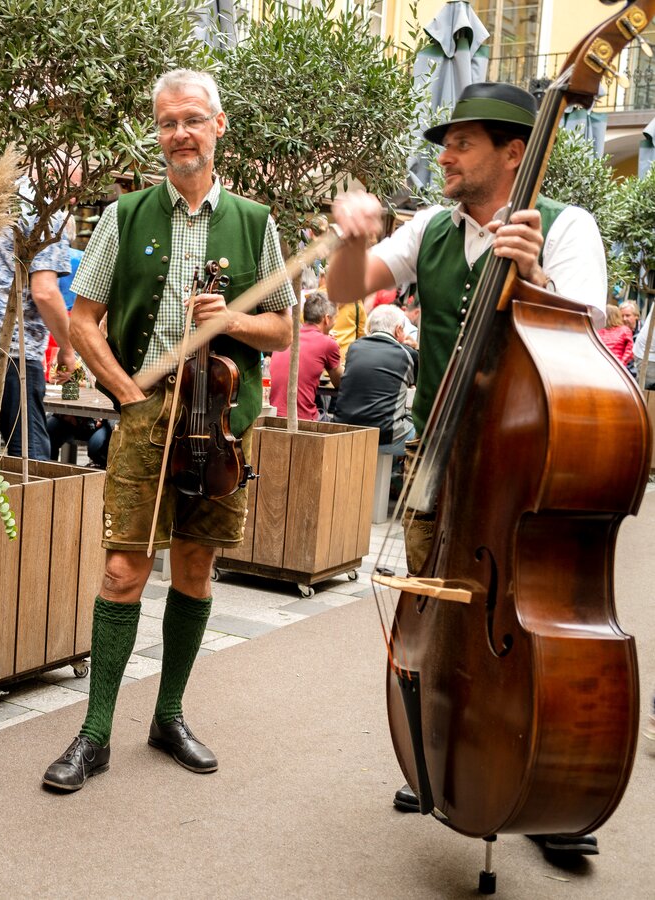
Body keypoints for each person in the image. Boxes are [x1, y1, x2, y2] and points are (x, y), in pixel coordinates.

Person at [328, 82, 607, 857]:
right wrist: (349, 239)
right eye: (444, 144)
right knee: (436, 610)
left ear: (514, 152)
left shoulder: (567, 226)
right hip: (439, 450)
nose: (444, 157)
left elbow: (590, 335)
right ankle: (441, 756)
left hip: (531, 458)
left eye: (461, 143)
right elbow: (345, 287)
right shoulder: (430, 228)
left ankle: (543, 788)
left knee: (532, 618)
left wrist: (537, 276)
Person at [43, 68, 295, 792]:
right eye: (167, 122)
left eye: (192, 120)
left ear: (219, 127)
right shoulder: (124, 216)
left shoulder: (255, 222)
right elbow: (82, 320)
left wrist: (231, 320)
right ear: (157, 133)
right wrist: (125, 392)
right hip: (146, 413)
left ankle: (169, 715)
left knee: (195, 567)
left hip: (221, 419)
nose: (180, 134)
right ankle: (94, 734)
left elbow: (282, 327)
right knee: (122, 571)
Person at [0, 211, 73, 459]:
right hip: (14, 351)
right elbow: (44, 292)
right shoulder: (45, 211)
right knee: (29, 455)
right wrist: (68, 348)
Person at [330, 304, 417, 449]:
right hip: (385, 437)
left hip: (344, 431)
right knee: (423, 434)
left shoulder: (354, 347)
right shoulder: (408, 354)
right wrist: (416, 348)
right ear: (398, 330)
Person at [267, 291, 341, 421]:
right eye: (335, 318)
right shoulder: (328, 344)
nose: (335, 322)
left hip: (272, 413)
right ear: (327, 319)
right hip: (300, 418)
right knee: (334, 419)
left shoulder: (288, 335)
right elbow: (340, 383)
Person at [596, 304, 635, 375]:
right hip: (617, 367)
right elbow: (629, 352)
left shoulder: (598, 331)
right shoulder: (625, 330)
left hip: (600, 366)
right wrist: (621, 365)